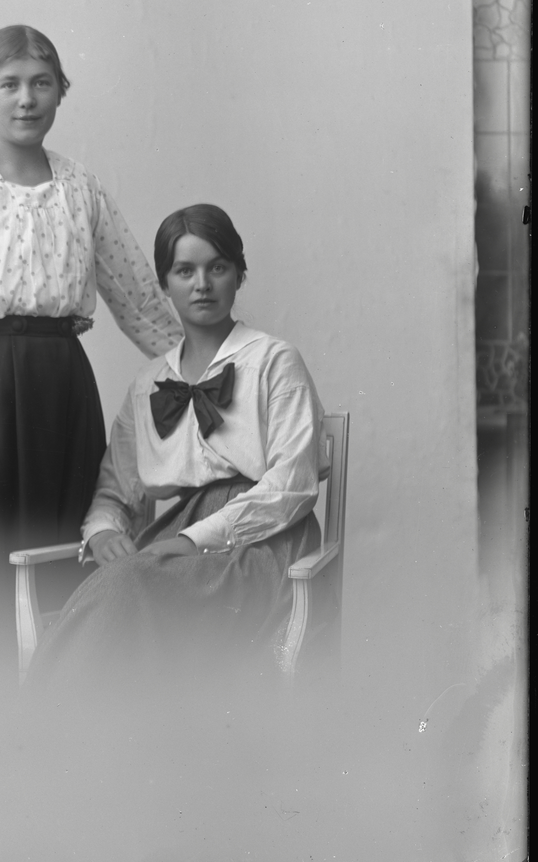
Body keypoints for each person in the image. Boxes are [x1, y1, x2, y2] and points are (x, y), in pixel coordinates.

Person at [0, 25, 182, 697]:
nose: (26, 99)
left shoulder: (82, 189)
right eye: (10, 84)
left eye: (41, 83)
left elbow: (138, 298)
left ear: (60, 92)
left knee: (59, 564)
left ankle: (57, 718)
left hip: (61, 397)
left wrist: (208, 373)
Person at [23, 204, 329, 712]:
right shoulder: (149, 385)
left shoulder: (274, 360)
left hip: (264, 543)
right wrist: (102, 533)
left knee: (128, 585)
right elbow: (113, 491)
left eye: (217, 267)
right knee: (115, 581)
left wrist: (191, 541)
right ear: (165, 284)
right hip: (180, 532)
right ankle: (57, 733)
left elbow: (292, 485)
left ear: (239, 275)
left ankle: (37, 725)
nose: (202, 284)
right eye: (185, 271)